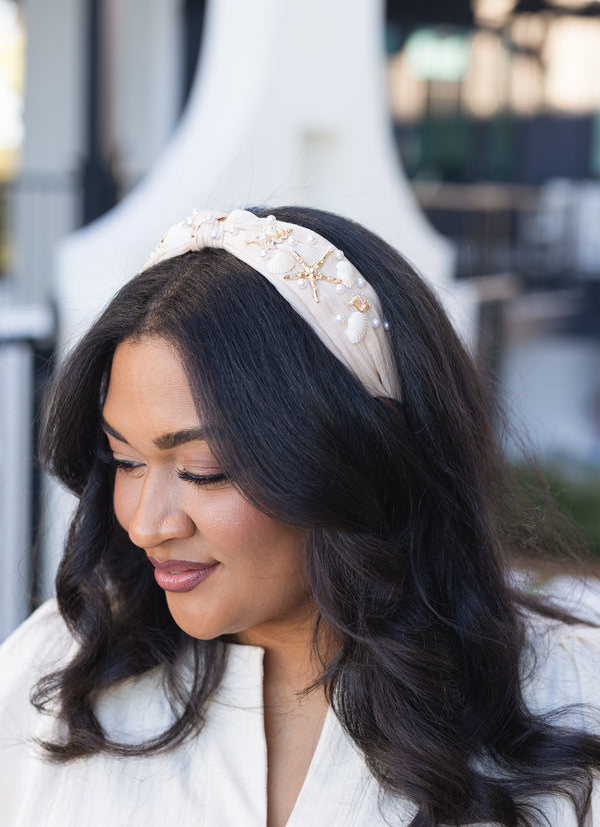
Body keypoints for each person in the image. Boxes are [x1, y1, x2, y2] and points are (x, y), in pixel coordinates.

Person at [1, 205, 600, 827]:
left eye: (203, 470)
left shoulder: (574, 697)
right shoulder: (57, 675)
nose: (148, 525)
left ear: (360, 455)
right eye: (124, 461)